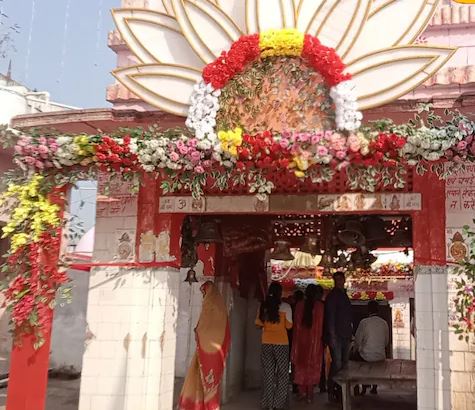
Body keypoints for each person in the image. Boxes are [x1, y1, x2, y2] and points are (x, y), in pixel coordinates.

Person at [178, 281, 231, 410]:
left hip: (210, 349)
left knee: (208, 376)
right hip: (210, 348)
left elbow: (205, 327)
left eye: (204, 293)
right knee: (201, 376)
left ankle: (209, 405)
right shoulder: (218, 307)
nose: (203, 296)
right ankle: (201, 404)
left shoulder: (211, 306)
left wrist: (198, 331)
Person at [256, 281, 293, 410]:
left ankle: (268, 404)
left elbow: (258, 324)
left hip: (266, 342)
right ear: (280, 293)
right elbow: (289, 326)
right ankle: (278, 404)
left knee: (268, 374)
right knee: (283, 374)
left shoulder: (263, 306)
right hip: (282, 343)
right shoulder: (286, 307)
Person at [291, 284, 325, 403]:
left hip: (300, 342)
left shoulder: (299, 305)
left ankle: (301, 392)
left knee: (300, 366)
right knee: (312, 367)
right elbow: (322, 326)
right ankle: (310, 394)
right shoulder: (320, 307)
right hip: (315, 343)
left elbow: (296, 326)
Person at [325, 271, 353, 402]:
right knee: (337, 363)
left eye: (341, 279)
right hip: (337, 335)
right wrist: (332, 336)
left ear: (344, 280)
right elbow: (330, 317)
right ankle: (332, 390)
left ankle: (341, 391)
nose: (339, 282)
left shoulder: (344, 295)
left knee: (344, 364)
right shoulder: (333, 296)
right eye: (337, 280)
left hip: (345, 334)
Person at [354, 300, 389, 395]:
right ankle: (374, 387)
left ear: (368, 310)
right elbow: (386, 342)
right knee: (374, 360)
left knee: (354, 360)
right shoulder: (384, 323)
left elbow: (357, 340)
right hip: (380, 356)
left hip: (366, 357)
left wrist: (355, 350)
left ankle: (361, 387)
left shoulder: (364, 322)